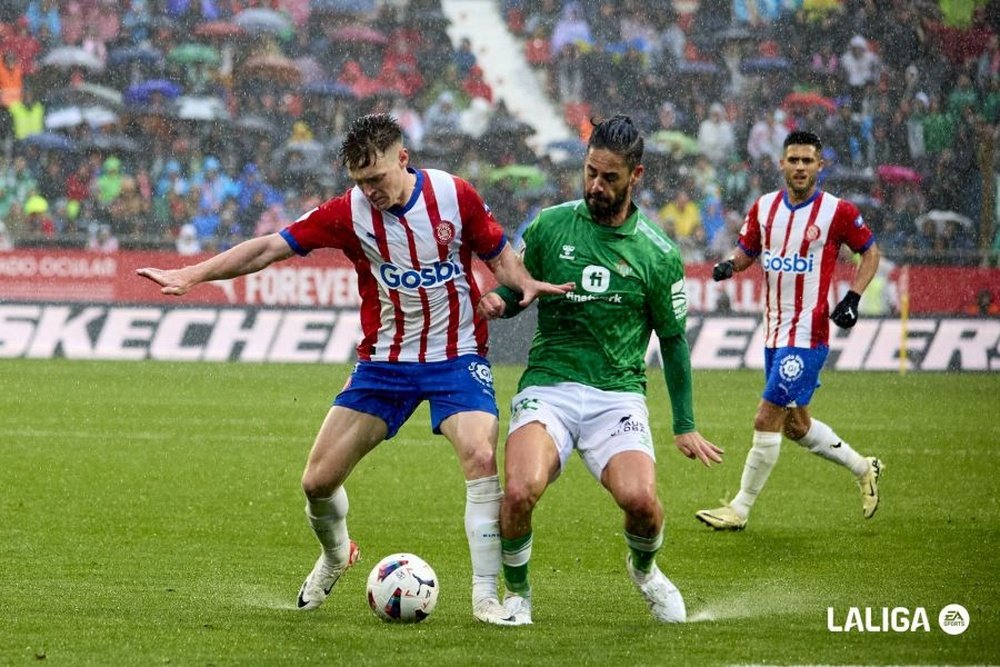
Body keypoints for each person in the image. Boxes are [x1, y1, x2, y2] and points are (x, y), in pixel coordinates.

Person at [137, 113, 572, 625]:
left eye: (378, 179)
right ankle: (336, 555)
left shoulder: (456, 197)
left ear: (402, 160)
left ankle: (485, 598)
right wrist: (194, 274)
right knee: (317, 482)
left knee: (479, 455)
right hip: (384, 364)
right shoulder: (348, 213)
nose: (371, 192)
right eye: (360, 183)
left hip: (455, 357)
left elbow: (501, 260)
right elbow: (270, 247)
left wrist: (519, 287)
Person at [477, 115, 724, 626]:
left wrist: (684, 423)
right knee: (520, 490)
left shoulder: (657, 253)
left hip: (617, 395)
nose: (595, 185)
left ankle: (646, 572)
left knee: (643, 504)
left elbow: (674, 342)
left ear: (637, 177)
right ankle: (518, 595)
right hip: (549, 386)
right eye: (590, 172)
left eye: (609, 177)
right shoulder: (549, 225)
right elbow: (519, 287)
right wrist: (500, 302)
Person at [695, 131, 884, 532]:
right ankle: (863, 467)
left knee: (766, 417)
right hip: (774, 333)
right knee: (796, 426)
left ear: (820, 166)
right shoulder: (764, 208)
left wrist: (853, 297)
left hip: (808, 335)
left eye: (807, 161)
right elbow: (747, 254)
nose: (800, 167)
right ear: (781, 164)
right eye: (793, 160)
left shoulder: (839, 212)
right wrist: (730, 265)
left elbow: (871, 252)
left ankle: (739, 508)